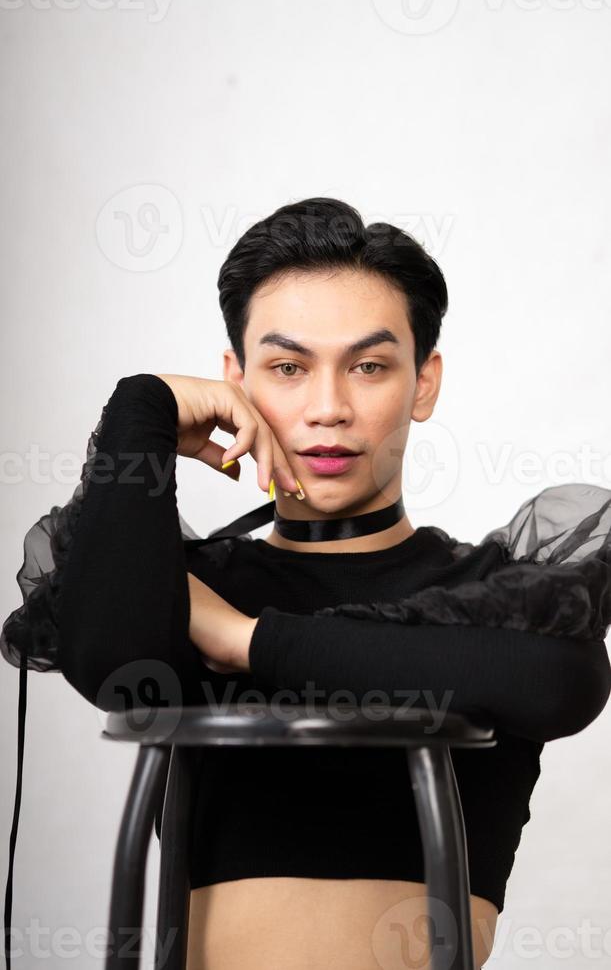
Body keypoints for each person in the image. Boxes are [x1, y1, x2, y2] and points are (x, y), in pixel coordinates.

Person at [2, 197, 610, 970]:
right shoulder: (187, 585)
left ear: (422, 384)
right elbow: (118, 669)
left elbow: (561, 683)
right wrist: (142, 406)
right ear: (236, 382)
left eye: (369, 366)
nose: (328, 408)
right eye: (287, 368)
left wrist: (245, 638)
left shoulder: (499, 592)